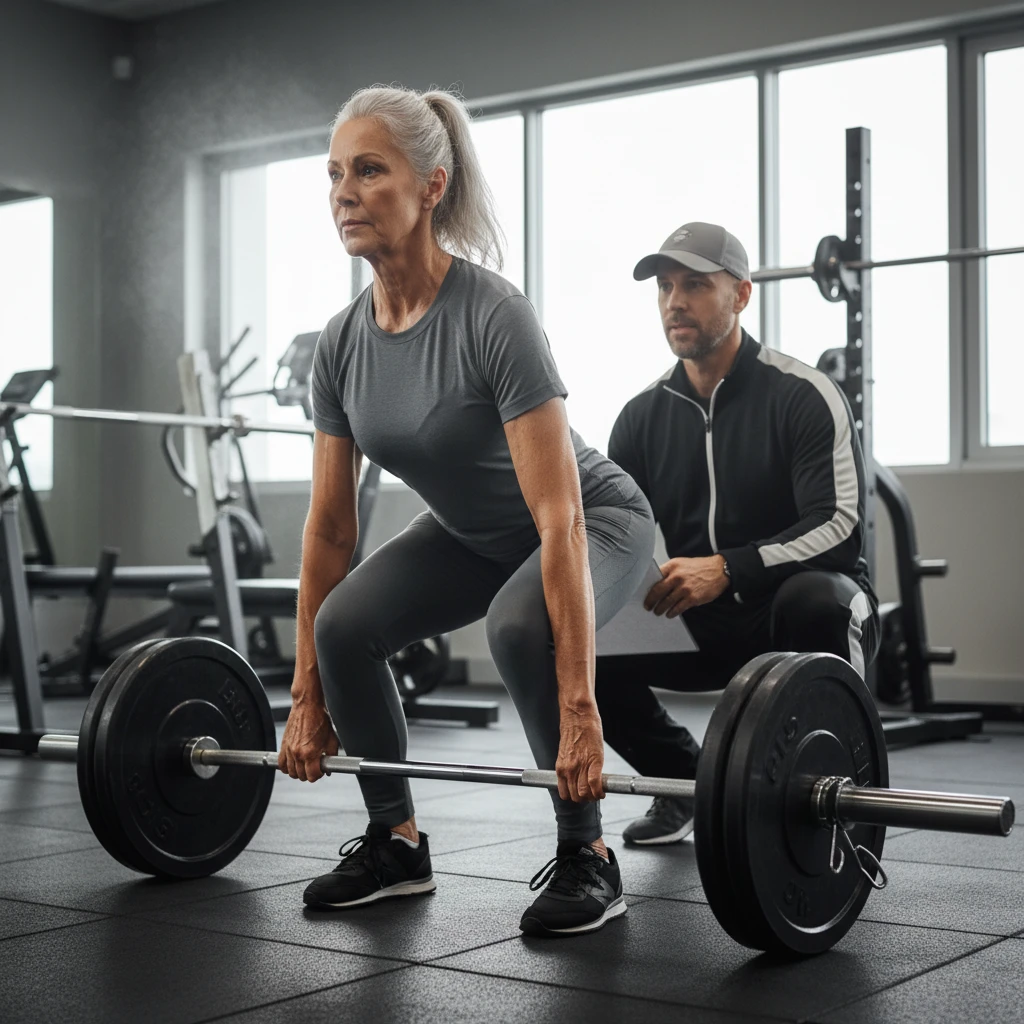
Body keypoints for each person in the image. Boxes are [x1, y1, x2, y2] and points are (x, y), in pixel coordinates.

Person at [277, 85, 655, 937]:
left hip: (593, 521)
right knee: (342, 628)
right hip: (473, 536)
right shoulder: (341, 344)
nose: (344, 192)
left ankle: (588, 854)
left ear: (432, 186)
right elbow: (330, 529)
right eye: (334, 174)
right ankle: (396, 843)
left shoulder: (494, 315)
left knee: (519, 626)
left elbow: (558, 517)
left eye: (369, 171)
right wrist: (305, 694)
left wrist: (582, 713)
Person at [597, 222, 880, 846]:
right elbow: (616, 534)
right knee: (581, 631)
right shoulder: (640, 417)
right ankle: (687, 781)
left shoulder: (803, 394)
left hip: (794, 611)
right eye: (665, 287)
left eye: (695, 285)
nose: (675, 302)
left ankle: (845, 801)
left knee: (818, 599)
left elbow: (839, 528)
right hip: (702, 618)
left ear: (742, 295)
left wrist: (728, 567)